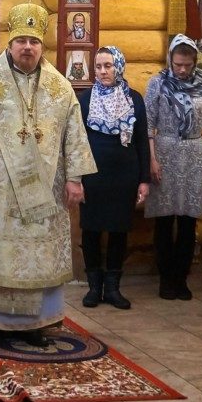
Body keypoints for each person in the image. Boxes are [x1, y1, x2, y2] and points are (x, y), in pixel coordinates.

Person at [0, 3, 96, 348]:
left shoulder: (60, 89)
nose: (28, 47)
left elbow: (74, 134)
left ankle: (35, 323)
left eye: (34, 41)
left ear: (42, 47)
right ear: (9, 45)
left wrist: (75, 179)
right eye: (21, 40)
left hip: (47, 191)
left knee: (39, 254)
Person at [145, 34, 202, 301]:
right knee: (165, 220)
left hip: (194, 154)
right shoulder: (157, 84)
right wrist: (151, 159)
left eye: (187, 64)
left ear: (195, 61)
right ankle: (166, 279)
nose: (182, 69)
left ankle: (181, 278)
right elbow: (148, 125)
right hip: (164, 152)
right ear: (170, 59)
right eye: (178, 64)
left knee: (188, 221)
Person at [77, 46, 150, 310]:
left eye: (108, 66)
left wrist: (144, 180)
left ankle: (114, 288)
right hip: (93, 175)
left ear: (118, 66)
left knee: (119, 230)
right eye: (98, 66)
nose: (103, 71)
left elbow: (142, 141)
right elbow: (77, 142)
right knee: (92, 230)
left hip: (124, 176)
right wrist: (76, 178)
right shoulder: (85, 100)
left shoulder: (135, 99)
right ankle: (94, 288)